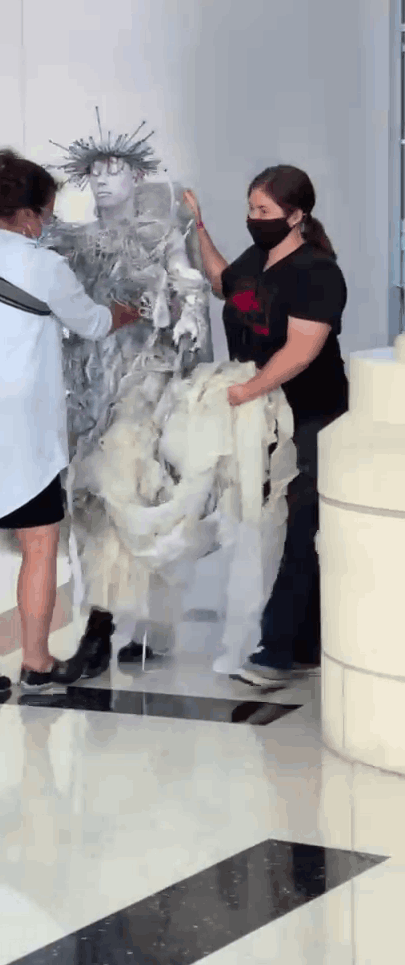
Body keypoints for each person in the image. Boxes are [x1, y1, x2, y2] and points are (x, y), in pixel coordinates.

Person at [0, 149, 141, 701]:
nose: (47, 222)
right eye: (45, 212)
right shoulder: (44, 265)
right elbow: (92, 324)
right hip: (17, 423)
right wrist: (125, 312)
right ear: (26, 214)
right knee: (40, 544)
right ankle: (37, 661)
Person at [41, 118, 212, 679]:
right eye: (95, 171)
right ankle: (132, 619)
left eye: (116, 171)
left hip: (143, 381)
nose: (104, 180)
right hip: (88, 384)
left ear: (138, 177)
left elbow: (187, 283)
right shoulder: (72, 240)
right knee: (96, 503)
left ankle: (102, 627)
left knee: (125, 490)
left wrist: (187, 317)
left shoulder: (161, 233)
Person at [184, 164, 348, 691]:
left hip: (311, 417)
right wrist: (198, 227)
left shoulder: (317, 273)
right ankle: (303, 646)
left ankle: (275, 651)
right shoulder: (259, 259)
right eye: (251, 209)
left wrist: (246, 390)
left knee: (298, 529)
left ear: (296, 215)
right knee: (274, 527)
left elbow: (301, 350)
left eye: (265, 211)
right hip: (266, 419)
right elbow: (223, 283)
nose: (254, 219)